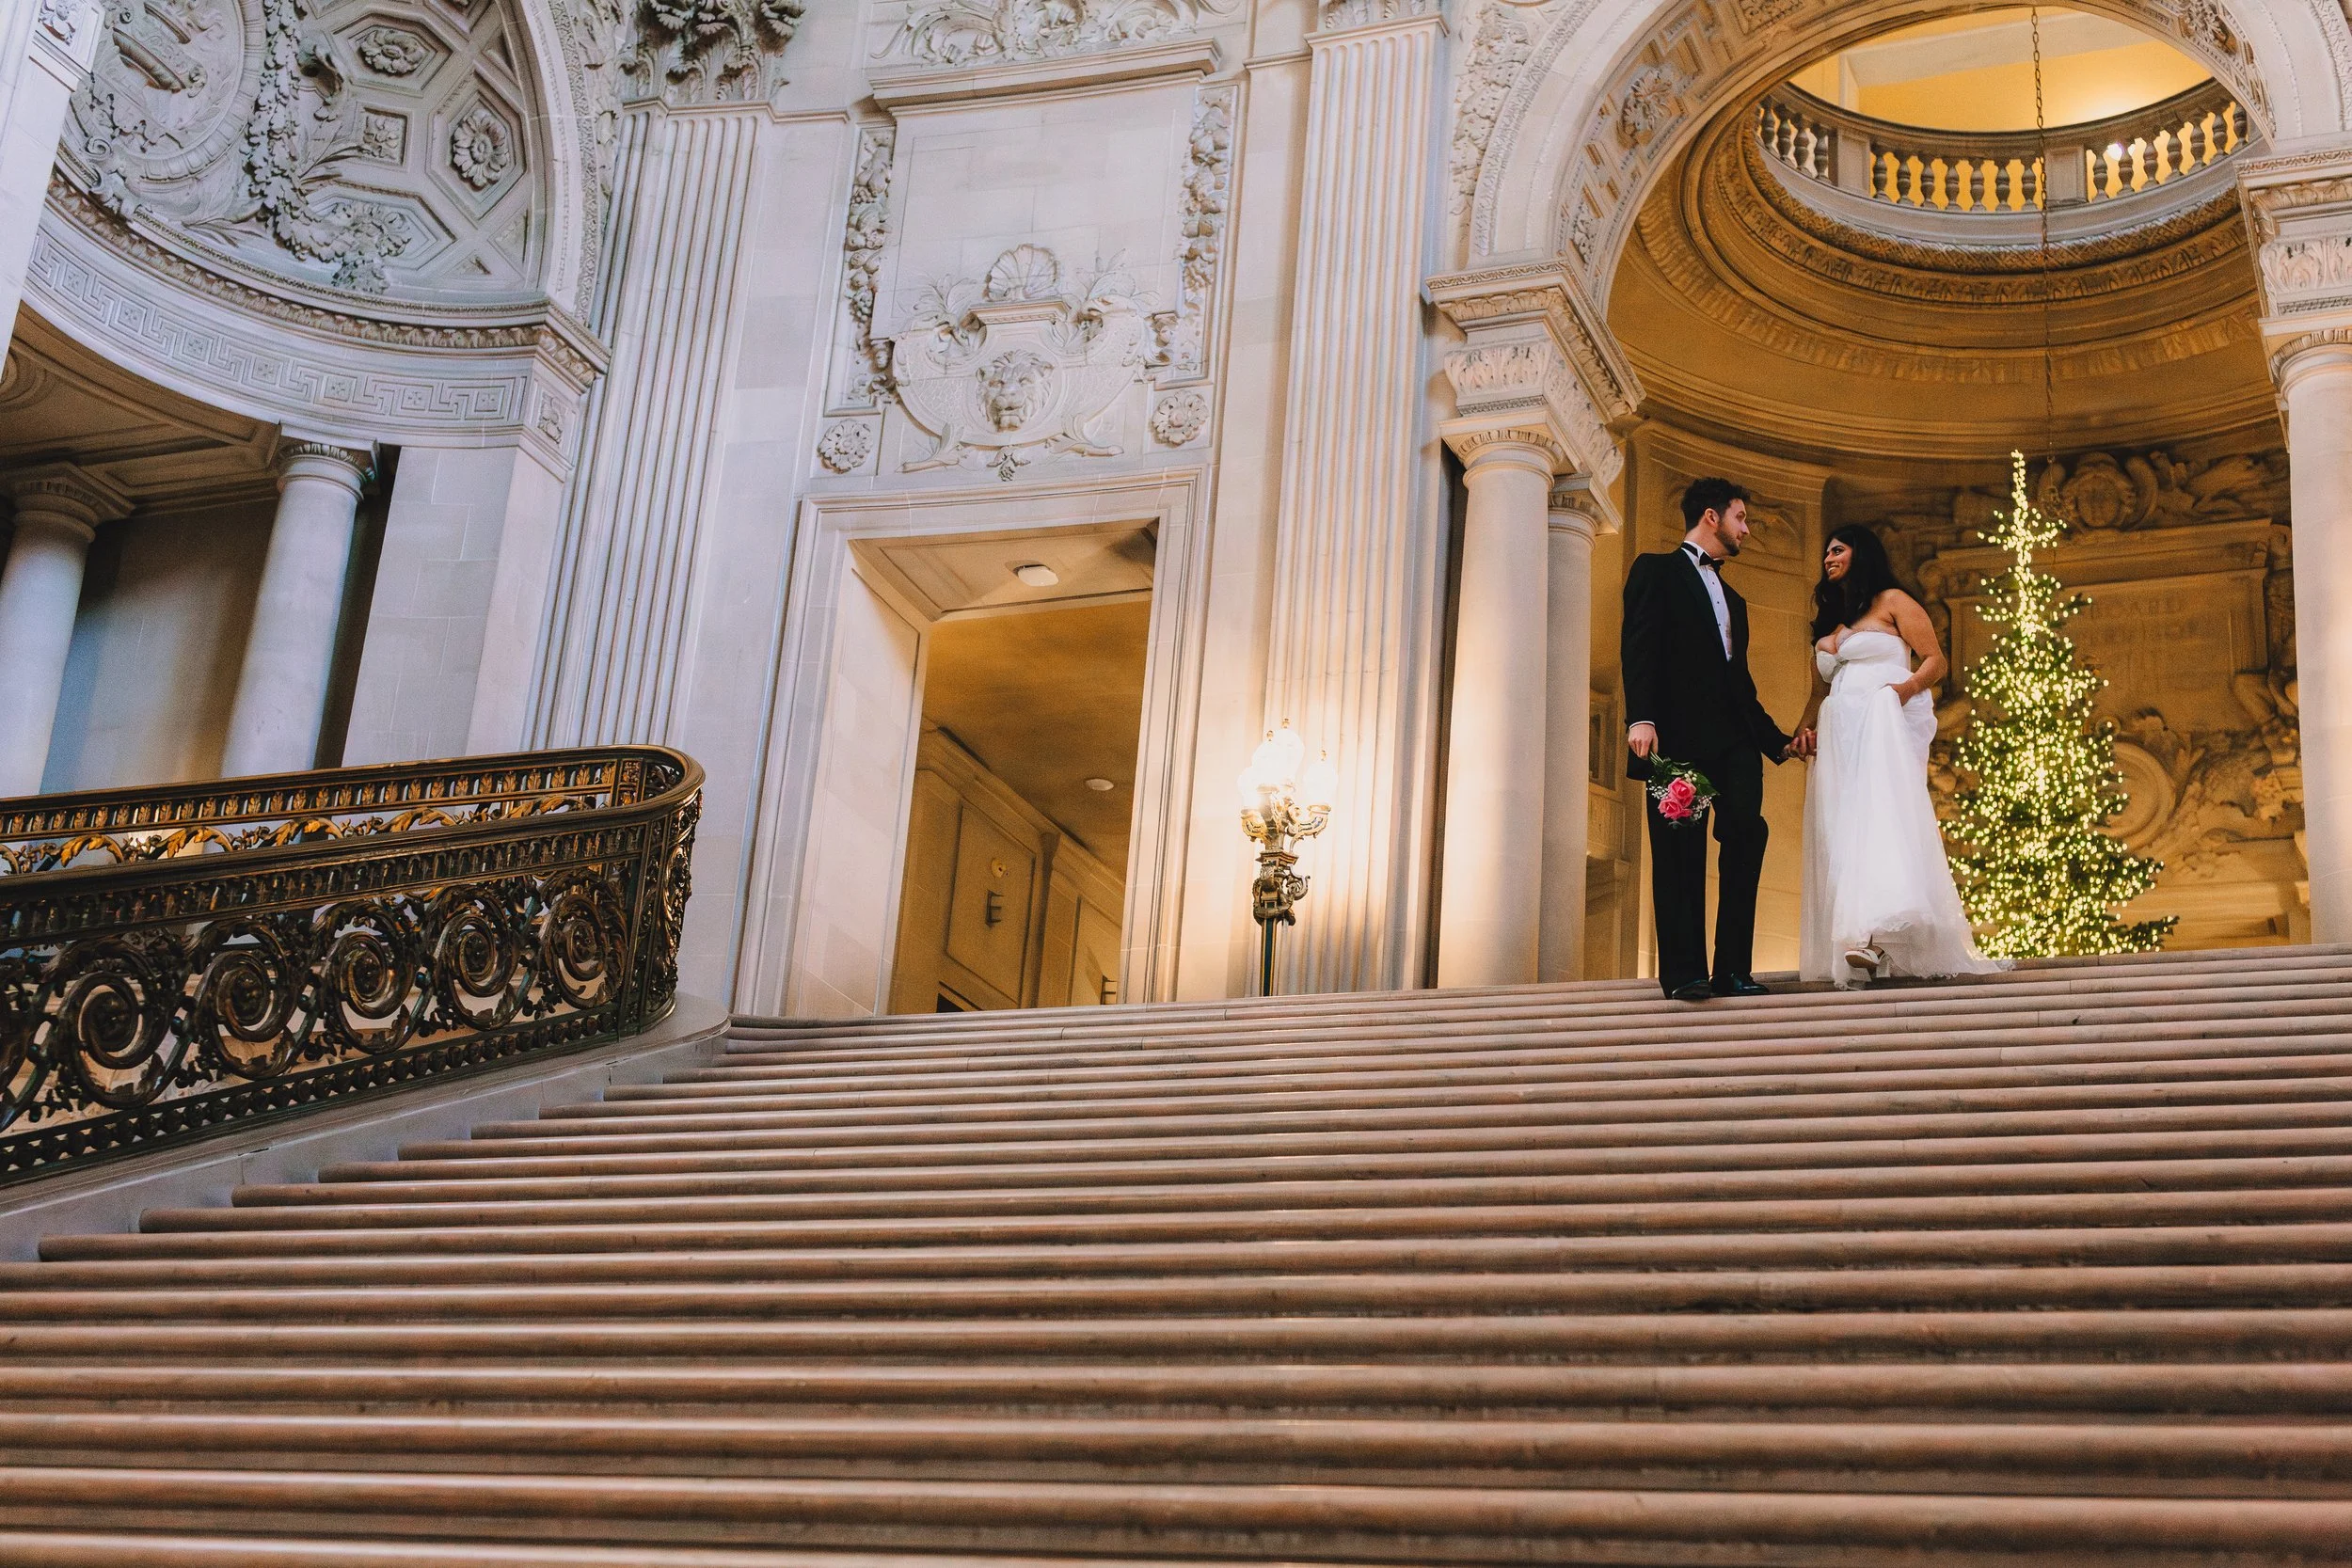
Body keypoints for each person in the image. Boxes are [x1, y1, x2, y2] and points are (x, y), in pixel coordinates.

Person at [1622, 478, 1810, 1003]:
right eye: (1740, 518)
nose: (1746, 529)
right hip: (1677, 739)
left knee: (1747, 837)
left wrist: (1778, 743)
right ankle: (1685, 972)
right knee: (1678, 850)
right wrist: (1641, 718)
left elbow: (1740, 686)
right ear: (1712, 516)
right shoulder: (1654, 570)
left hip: (1736, 745)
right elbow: (1639, 647)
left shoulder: (1735, 600)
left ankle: (1733, 970)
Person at [1795, 524, 2006, 989]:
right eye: (1826, 552)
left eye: (1838, 549)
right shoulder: (1832, 624)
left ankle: (1873, 935)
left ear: (1861, 553)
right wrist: (1801, 734)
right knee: (1840, 828)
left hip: (1882, 724)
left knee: (1878, 817)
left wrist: (1902, 691)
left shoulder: (1893, 601)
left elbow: (1935, 660)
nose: (1828, 558)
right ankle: (1863, 938)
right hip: (1840, 734)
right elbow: (1818, 694)